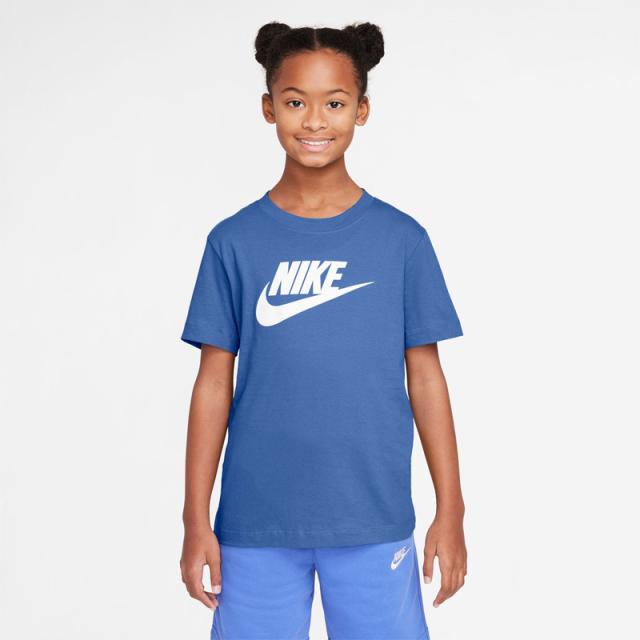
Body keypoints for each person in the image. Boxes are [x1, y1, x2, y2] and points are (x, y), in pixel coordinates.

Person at [179, 21, 467, 640]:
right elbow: (212, 384)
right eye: (295, 102)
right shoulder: (233, 242)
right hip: (255, 524)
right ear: (268, 108)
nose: (314, 120)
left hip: (372, 519)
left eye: (334, 103)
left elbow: (426, 378)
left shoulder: (402, 241)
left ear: (362, 110)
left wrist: (452, 508)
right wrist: (194, 518)